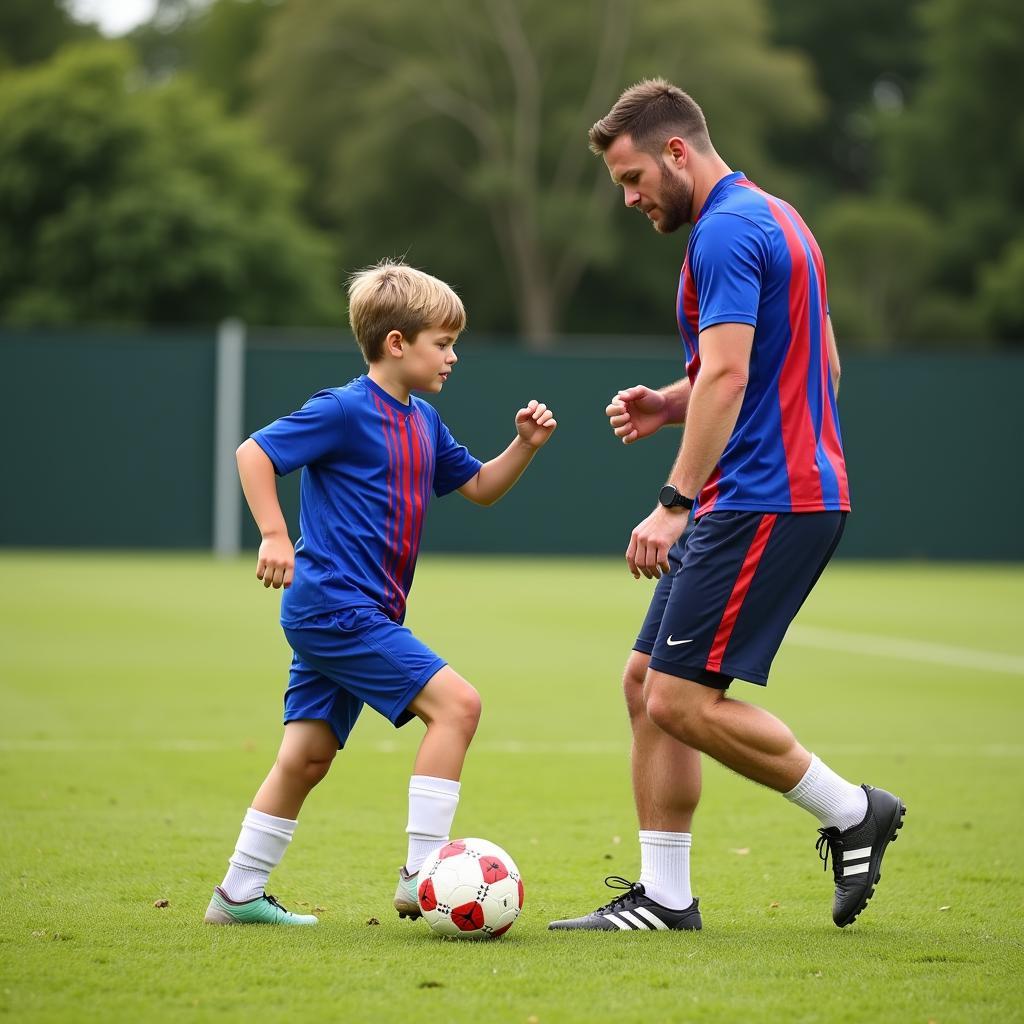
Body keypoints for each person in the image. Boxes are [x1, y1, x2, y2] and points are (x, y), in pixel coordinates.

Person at [548, 79, 904, 933]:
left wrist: (673, 501)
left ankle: (852, 809)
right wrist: (673, 402)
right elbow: (803, 364)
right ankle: (666, 899)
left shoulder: (724, 234)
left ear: (677, 151)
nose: (629, 198)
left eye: (632, 178)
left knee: (677, 699)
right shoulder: (777, 217)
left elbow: (737, 375)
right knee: (646, 685)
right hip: (773, 489)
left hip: (769, 496)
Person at [205, 260, 556, 926]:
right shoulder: (342, 410)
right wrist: (274, 535)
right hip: (336, 607)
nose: (453, 357)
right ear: (397, 343)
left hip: (346, 613)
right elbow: (254, 453)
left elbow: (479, 487)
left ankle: (237, 894)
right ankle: (422, 871)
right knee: (458, 706)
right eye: (443, 343)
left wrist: (525, 446)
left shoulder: (423, 421)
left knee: (306, 756)